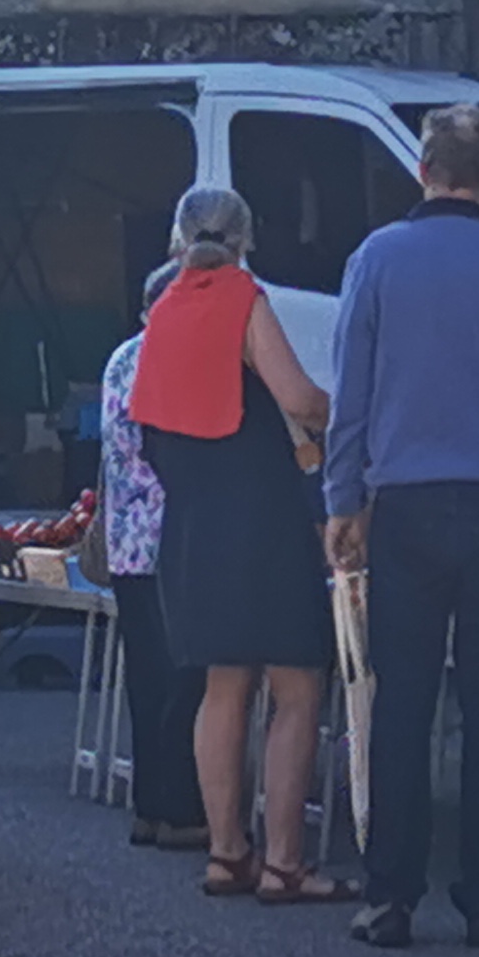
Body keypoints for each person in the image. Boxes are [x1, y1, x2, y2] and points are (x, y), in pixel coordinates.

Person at [321, 104, 479, 952]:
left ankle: (389, 895)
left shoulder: (378, 259)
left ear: (423, 170)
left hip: (409, 505)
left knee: (402, 700)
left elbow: (350, 389)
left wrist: (341, 500)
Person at [134, 183, 345, 904]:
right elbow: (298, 399)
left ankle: (226, 851)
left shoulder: (162, 311)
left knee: (222, 687)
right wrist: (343, 413)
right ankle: (284, 860)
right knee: (295, 687)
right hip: (263, 520)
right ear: (245, 240)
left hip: (191, 525)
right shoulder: (241, 298)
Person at [95, 264, 211, 852]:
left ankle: (148, 807)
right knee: (185, 677)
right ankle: (179, 805)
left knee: (147, 678)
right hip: (171, 540)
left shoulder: (120, 358)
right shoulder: (168, 358)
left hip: (126, 543)